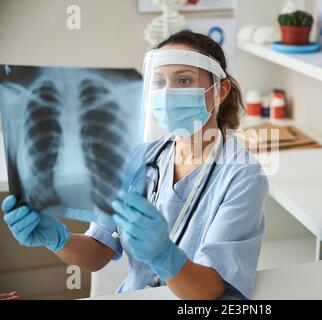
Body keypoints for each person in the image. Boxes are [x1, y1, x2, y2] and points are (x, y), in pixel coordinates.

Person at [1, 31, 268, 300]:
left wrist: (164, 255)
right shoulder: (140, 158)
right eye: (159, 82)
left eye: (184, 80)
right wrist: (57, 238)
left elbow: (208, 291)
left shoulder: (242, 175)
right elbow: (97, 254)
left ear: (220, 91)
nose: (167, 93)